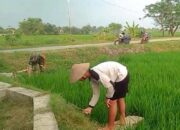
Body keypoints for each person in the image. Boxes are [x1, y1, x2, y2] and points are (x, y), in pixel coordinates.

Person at [70, 61, 130, 130]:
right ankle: (122, 120)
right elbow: (96, 94)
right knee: (120, 98)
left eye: (78, 77)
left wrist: (108, 97)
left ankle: (110, 127)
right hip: (121, 73)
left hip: (121, 75)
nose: (79, 79)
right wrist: (90, 107)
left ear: (83, 74)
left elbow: (110, 87)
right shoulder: (92, 77)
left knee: (112, 102)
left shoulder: (96, 74)